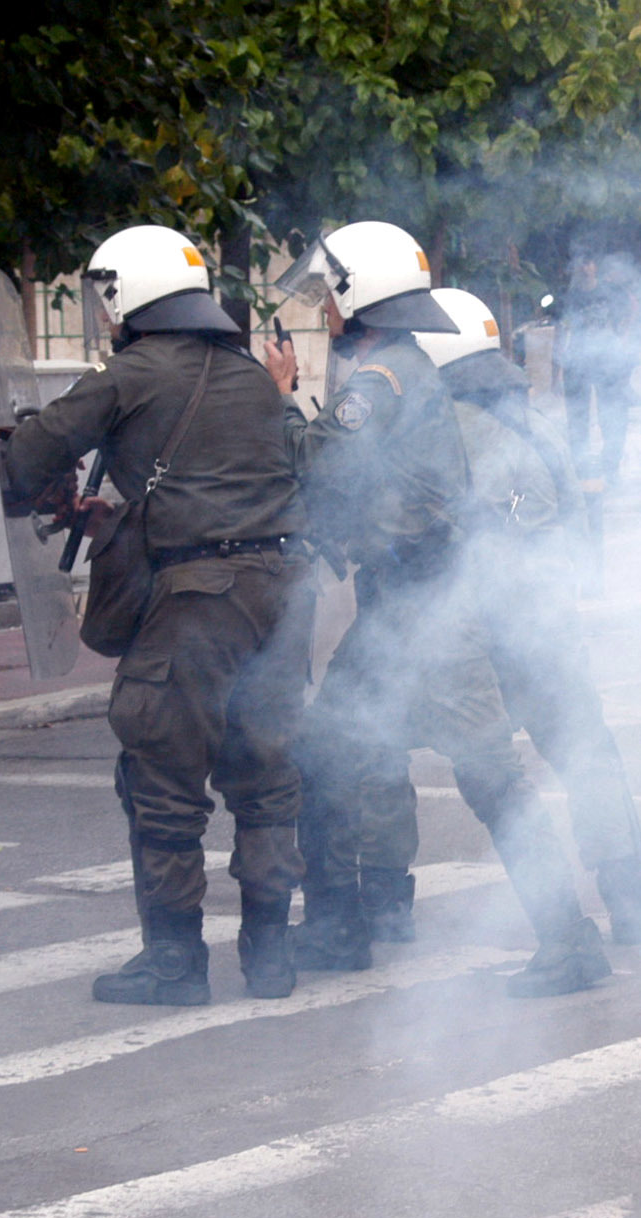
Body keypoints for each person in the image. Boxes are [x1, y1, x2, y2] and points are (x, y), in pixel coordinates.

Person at [264, 220, 612, 997]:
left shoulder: (384, 374)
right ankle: (337, 924)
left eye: (331, 293)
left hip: (434, 608)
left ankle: (569, 941)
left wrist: (282, 400)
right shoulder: (392, 367)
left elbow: (320, 456)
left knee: (490, 773)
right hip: (401, 603)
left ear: (361, 297)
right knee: (326, 750)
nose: (321, 309)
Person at [3, 225, 312, 1005]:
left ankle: (174, 962)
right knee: (265, 771)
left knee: (162, 775)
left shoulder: (130, 372)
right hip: (280, 589)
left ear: (127, 294)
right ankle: (271, 957)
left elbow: (29, 457)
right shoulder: (250, 377)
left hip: (194, 601)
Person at [414, 287, 641, 946]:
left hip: (482, 629)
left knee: (490, 771)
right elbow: (582, 538)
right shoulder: (537, 423)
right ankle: (633, 904)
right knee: (586, 752)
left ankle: (563, 935)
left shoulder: (445, 431)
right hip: (548, 621)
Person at [555, 255, 641, 593]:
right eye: (580, 264)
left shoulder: (611, 293)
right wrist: (555, 370)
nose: (585, 268)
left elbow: (631, 312)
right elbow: (560, 334)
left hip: (607, 361)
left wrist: (623, 346)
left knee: (613, 419)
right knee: (576, 421)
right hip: (578, 362)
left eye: (588, 264)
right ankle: (582, 471)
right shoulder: (569, 297)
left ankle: (611, 470)